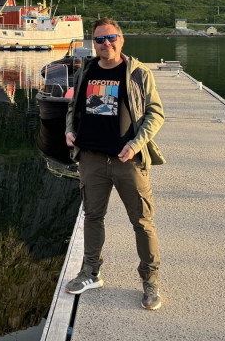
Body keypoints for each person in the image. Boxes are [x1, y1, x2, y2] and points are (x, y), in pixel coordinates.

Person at [64, 17, 165, 310]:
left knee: (142, 222)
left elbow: (155, 114)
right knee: (93, 217)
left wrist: (136, 144)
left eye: (111, 38)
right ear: (93, 43)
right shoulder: (87, 70)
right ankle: (90, 273)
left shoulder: (138, 73)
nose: (106, 44)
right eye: (99, 40)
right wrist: (70, 130)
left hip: (127, 160)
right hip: (91, 159)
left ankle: (150, 281)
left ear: (121, 39)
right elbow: (74, 107)